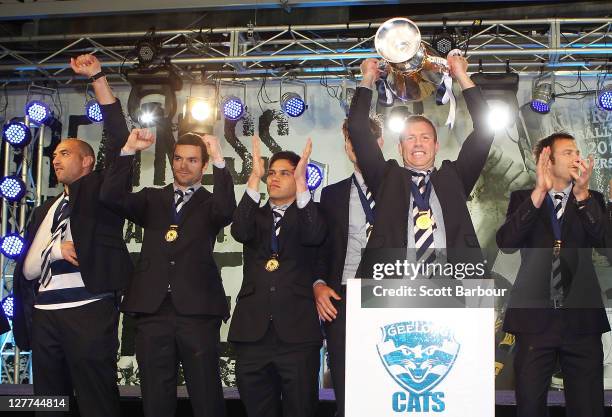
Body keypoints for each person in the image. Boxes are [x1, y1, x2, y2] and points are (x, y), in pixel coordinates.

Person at [84, 53, 236, 416]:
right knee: (154, 394)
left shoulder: (211, 203)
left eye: (193, 160)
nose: (184, 165)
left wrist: (219, 159)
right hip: (151, 310)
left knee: (206, 394)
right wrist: (126, 152)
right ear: (172, 162)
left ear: (202, 165)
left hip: (197, 311)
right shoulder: (152, 199)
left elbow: (227, 211)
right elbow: (110, 196)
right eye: (179, 159)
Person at [11, 55, 133, 417]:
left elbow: (118, 138)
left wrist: (96, 77)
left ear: (88, 162)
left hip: (88, 310)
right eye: (53, 156)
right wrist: (54, 250)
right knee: (47, 402)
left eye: (65, 153)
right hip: (45, 314)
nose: (56, 160)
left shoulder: (100, 194)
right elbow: (28, 270)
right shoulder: (43, 211)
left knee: (97, 398)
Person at [496, 132, 609, 417]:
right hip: (535, 322)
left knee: (588, 408)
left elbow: (608, 247)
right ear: (547, 159)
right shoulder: (524, 198)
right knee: (530, 407)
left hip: (581, 321)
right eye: (569, 152)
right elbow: (506, 243)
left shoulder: (591, 198)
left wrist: (583, 197)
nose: (577, 158)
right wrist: (539, 193)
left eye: (577, 152)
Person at [347, 55, 493, 274]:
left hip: (452, 288)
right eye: (410, 138)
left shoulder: (455, 177)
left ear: (436, 146)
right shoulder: (385, 177)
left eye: (425, 138)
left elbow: (485, 130)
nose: (417, 143)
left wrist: (461, 75)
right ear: (400, 147)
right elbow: (358, 128)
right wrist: (368, 77)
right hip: (393, 289)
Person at [229, 136, 326, 417]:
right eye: (272, 173)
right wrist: (254, 178)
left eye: (285, 173)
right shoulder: (253, 217)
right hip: (252, 335)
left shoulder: (311, 214)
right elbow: (239, 232)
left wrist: (302, 185)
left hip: (296, 334)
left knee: (301, 409)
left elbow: (314, 235)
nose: (274, 178)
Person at [313, 117, 383, 417]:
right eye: (350, 141)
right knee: (345, 383)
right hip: (342, 298)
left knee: (386, 381)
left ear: (378, 144)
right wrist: (317, 284)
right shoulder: (330, 195)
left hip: (389, 297)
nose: (354, 146)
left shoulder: (402, 189)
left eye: (362, 139)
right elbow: (319, 248)